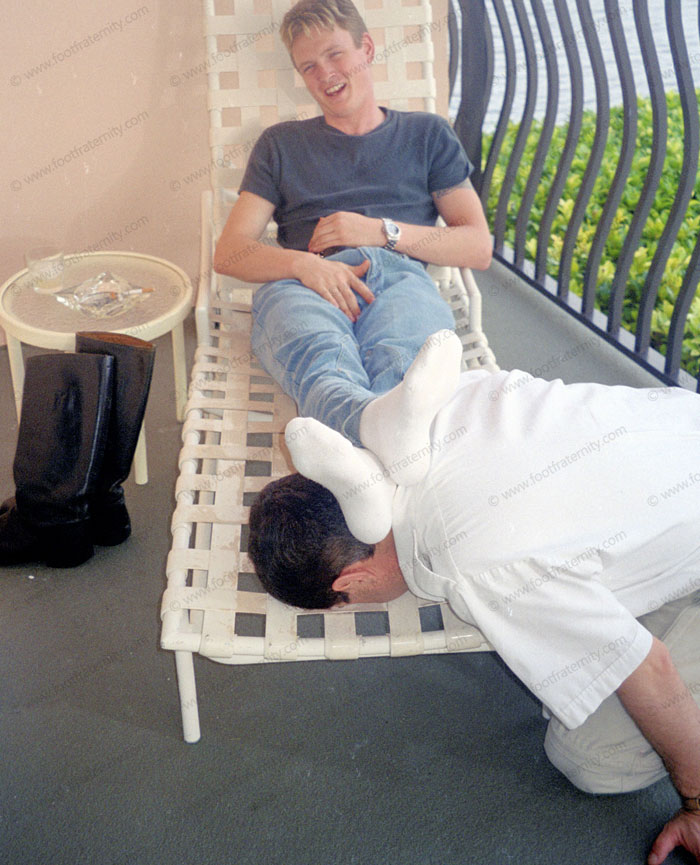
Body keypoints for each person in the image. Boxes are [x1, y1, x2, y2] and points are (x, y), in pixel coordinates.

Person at [248, 335, 700, 865]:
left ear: (351, 582)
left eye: (344, 604)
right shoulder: (442, 408)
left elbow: (646, 667)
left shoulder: (472, 564)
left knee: (592, 760)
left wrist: (695, 803)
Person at [212, 0, 492, 457]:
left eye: (335, 54)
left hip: (400, 279)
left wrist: (381, 232)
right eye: (309, 66)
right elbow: (229, 252)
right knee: (324, 364)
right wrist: (303, 265)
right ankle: (389, 455)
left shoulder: (426, 134)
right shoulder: (280, 145)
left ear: (366, 48)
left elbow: (476, 246)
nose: (325, 73)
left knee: (405, 368)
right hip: (305, 285)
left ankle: (364, 459)